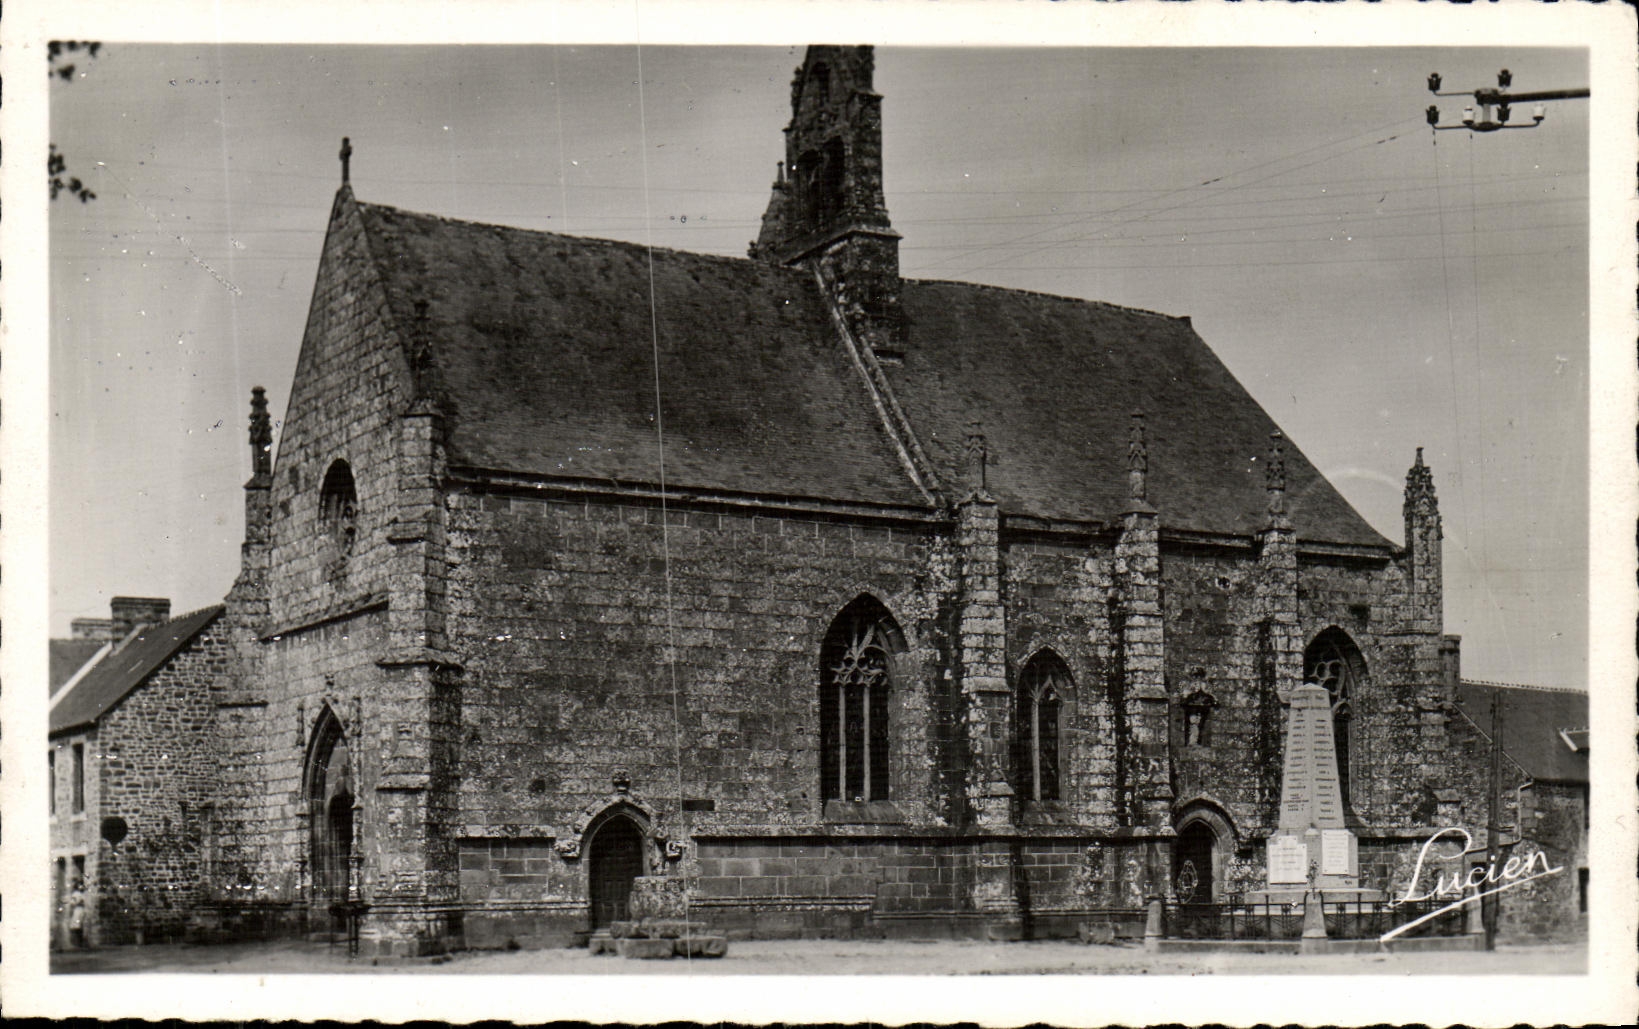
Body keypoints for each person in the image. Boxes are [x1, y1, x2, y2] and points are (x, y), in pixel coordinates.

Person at [67, 879, 87, 949]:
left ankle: (79, 942)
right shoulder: (77, 894)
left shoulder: (79, 894)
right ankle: (77, 942)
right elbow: (73, 902)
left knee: (78, 925)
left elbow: (74, 902)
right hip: (78, 909)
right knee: (77, 925)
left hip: (79, 910)